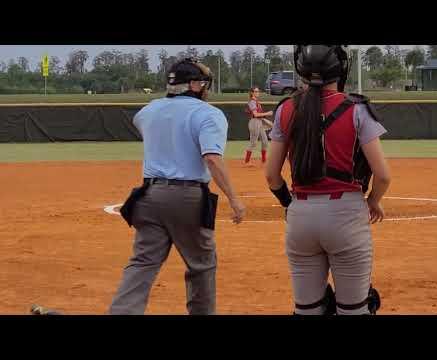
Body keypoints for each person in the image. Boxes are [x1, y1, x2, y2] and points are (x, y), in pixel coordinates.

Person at [109, 58, 246, 315]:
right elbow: (212, 158)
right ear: (193, 85)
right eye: (203, 83)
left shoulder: (149, 110)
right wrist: (234, 199)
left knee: (142, 263)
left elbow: (145, 124)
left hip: (149, 195)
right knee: (201, 265)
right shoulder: (208, 114)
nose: (205, 88)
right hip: (187, 196)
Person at [265, 45, 391, 315]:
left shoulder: (286, 109)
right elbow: (382, 175)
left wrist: (289, 203)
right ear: (341, 69)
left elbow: (271, 175)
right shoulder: (357, 109)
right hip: (345, 213)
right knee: (354, 308)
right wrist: (373, 201)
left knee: (307, 309)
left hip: (301, 215)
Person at [243, 86, 274, 164]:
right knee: (253, 143)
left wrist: (266, 121)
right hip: (254, 122)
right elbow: (256, 115)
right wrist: (268, 113)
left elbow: (259, 116)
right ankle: (246, 161)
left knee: (265, 142)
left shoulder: (257, 102)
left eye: (258, 91)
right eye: (256, 91)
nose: (258, 93)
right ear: (252, 93)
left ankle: (263, 161)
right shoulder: (252, 102)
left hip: (259, 122)